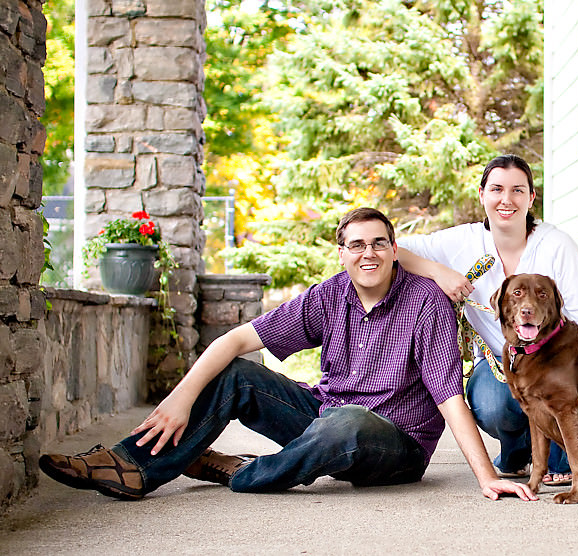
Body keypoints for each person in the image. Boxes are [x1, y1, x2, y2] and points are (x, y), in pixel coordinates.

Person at [39, 207, 536, 502]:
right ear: (341, 252)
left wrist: (487, 478)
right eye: (357, 245)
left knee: (345, 422)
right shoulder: (328, 295)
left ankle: (242, 472)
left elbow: (449, 394)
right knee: (238, 375)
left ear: (393, 249)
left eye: (379, 244)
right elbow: (234, 340)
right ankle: (132, 468)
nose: (369, 254)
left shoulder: (424, 301)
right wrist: (181, 397)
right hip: (326, 417)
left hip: (395, 445)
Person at [397, 155, 578, 484]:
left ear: (531, 198)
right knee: (491, 403)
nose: (506, 200)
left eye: (517, 190)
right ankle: (517, 452)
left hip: (560, 363)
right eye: (497, 189)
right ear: (482, 193)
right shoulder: (461, 242)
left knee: (564, 392)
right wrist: (438, 272)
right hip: (504, 363)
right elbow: (392, 248)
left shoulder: (556, 246)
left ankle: (564, 459)